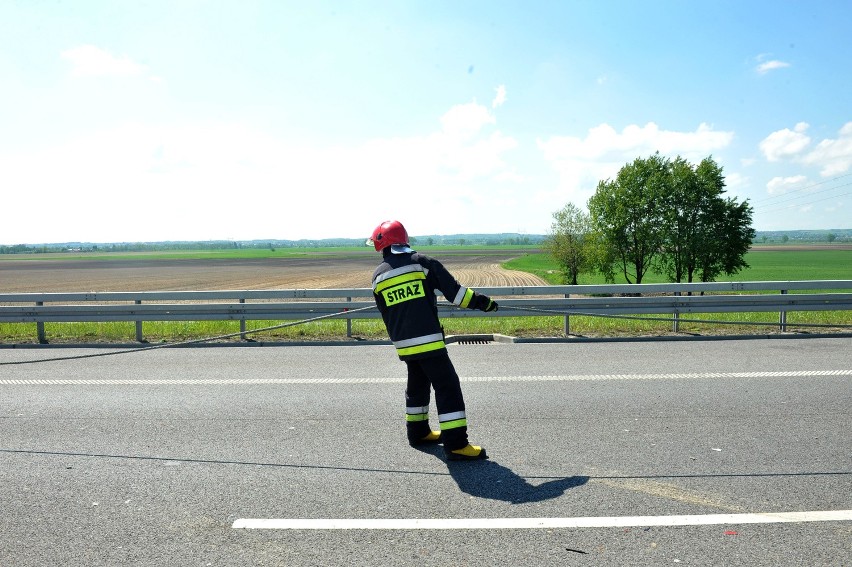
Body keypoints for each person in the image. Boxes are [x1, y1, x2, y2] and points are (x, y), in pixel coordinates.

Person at [367, 220, 498, 461]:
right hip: (428, 340)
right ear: (404, 239)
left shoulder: (378, 276)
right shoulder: (423, 264)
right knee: (448, 386)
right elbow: (457, 294)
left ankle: (418, 432)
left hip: (403, 343)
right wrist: (484, 303)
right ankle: (457, 444)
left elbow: (386, 311)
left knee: (417, 384)